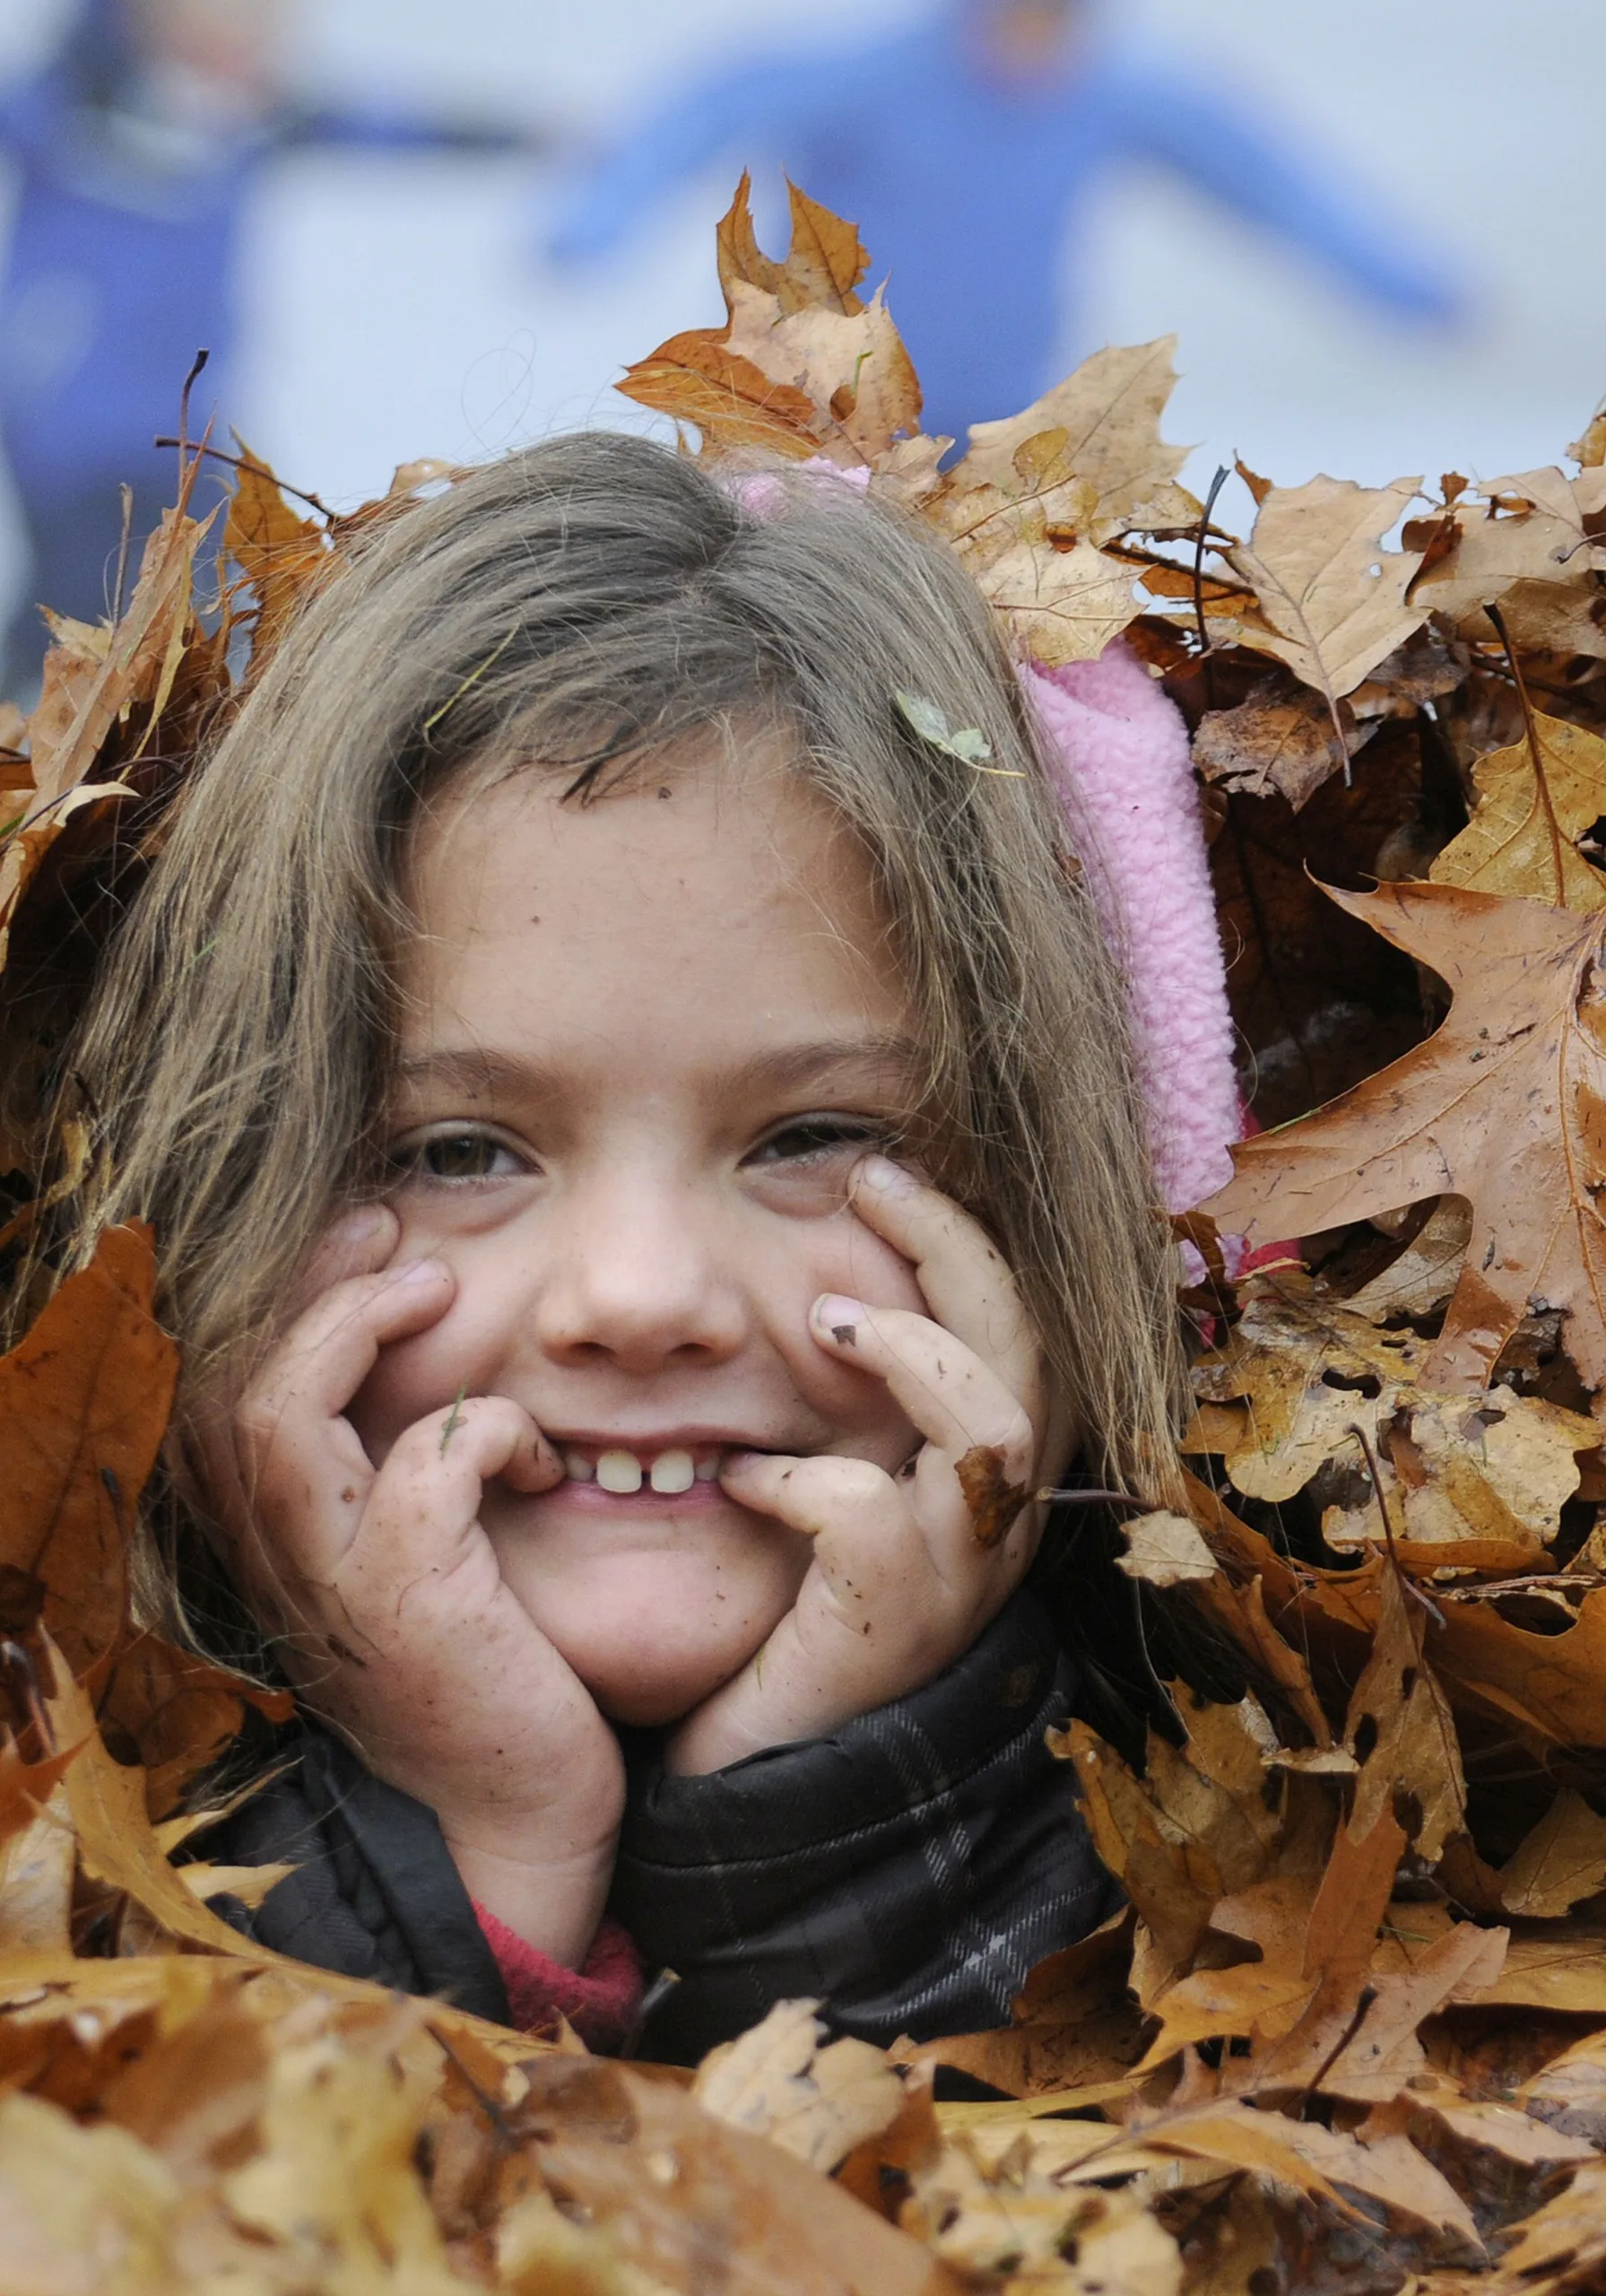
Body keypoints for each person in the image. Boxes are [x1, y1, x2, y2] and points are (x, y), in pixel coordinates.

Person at [42, 430, 1230, 2063]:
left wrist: (835, 1831)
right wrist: (487, 1850)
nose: (640, 1299)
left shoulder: (1286, 1838)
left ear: (1060, 1216)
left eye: (816, 1138)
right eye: (456, 1152)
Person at [546, 0, 1462, 431]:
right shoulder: (871, 75)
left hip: (996, 423)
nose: (1034, 43)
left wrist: (1406, 289)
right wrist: (596, 220)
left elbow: (1269, 183)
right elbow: (700, 109)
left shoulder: (1108, 93)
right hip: (821, 407)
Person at [0, 0, 523, 688]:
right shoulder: (65, 108)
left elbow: (390, 121)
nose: (256, 49)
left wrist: (523, 134)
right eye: (231, 28)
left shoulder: (251, 122)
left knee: (200, 611)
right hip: (71, 432)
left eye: (267, 31)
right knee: (107, 617)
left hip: (189, 426)